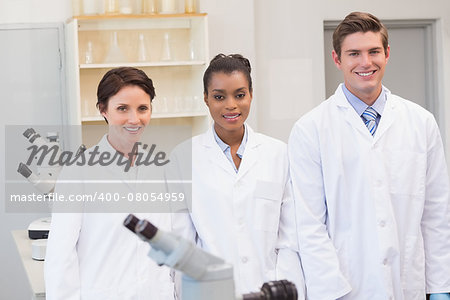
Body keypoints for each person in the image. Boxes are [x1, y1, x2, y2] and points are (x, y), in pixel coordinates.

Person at [288, 11, 450, 300]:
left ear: (387, 54)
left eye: (374, 51)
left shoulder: (421, 122)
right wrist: (329, 291)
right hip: (346, 287)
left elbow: (436, 215)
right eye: (354, 53)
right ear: (337, 59)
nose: (366, 62)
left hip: (407, 285)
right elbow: (309, 224)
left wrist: (439, 287)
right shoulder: (310, 129)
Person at [170, 54, 305, 297]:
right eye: (219, 96)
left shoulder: (277, 153)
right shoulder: (183, 157)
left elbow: (289, 237)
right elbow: (182, 244)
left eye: (240, 95)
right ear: (206, 99)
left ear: (251, 95)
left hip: (269, 290)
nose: (231, 105)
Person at [45, 67, 174, 299]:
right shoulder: (78, 172)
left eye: (142, 108)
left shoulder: (163, 170)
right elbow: (60, 259)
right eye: (122, 108)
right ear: (103, 110)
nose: (134, 119)